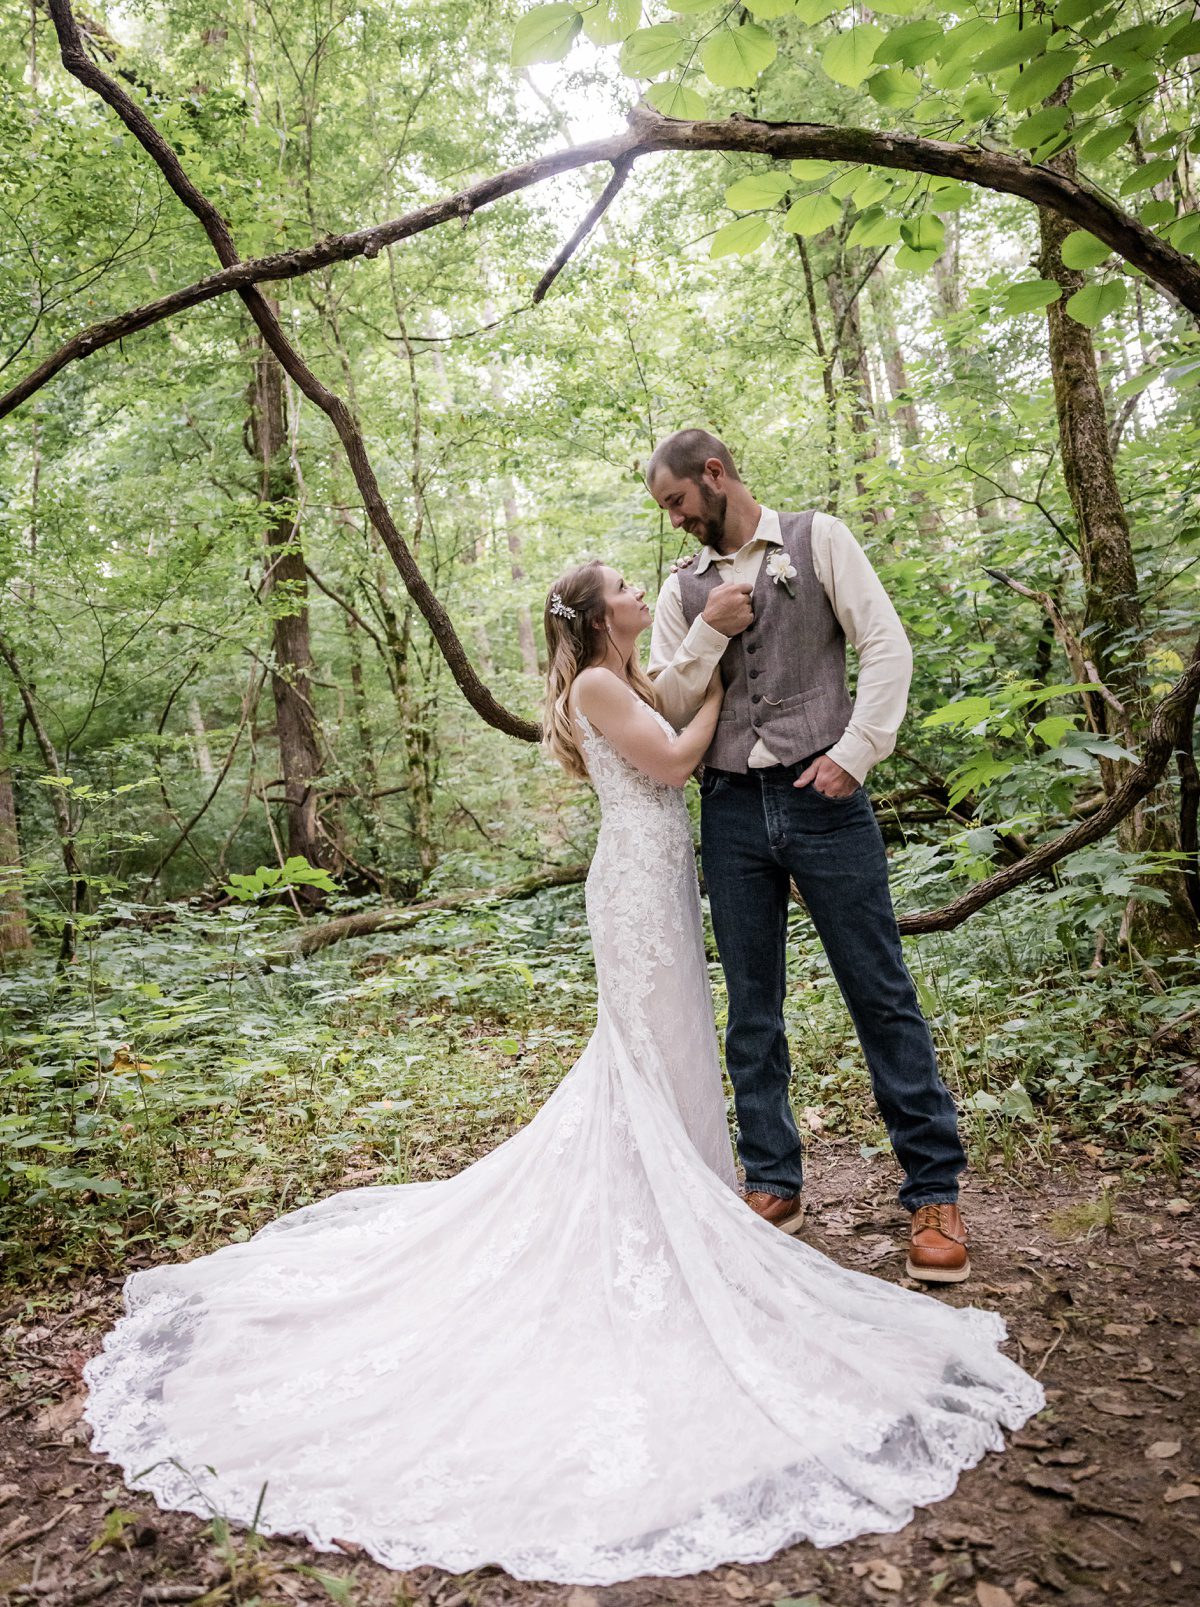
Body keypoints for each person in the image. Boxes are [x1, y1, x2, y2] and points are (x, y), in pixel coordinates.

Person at [81, 559, 1042, 1585]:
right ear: (594, 616)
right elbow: (674, 762)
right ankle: (659, 1208)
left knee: (673, 1049)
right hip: (633, 885)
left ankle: (691, 1196)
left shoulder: (628, 667)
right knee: (648, 1051)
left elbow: (671, 701)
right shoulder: (594, 683)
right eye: (626, 584)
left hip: (661, 882)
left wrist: (703, 658)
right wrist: (724, 672)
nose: (642, 587)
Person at [645, 429, 971, 1284]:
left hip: (825, 796)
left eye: (678, 501)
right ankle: (775, 1183)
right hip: (729, 812)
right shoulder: (681, 590)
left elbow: (885, 644)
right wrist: (710, 631)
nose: (676, 521)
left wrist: (857, 750)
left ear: (715, 474)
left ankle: (934, 1192)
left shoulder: (818, 538)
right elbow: (669, 699)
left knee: (880, 989)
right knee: (752, 1007)